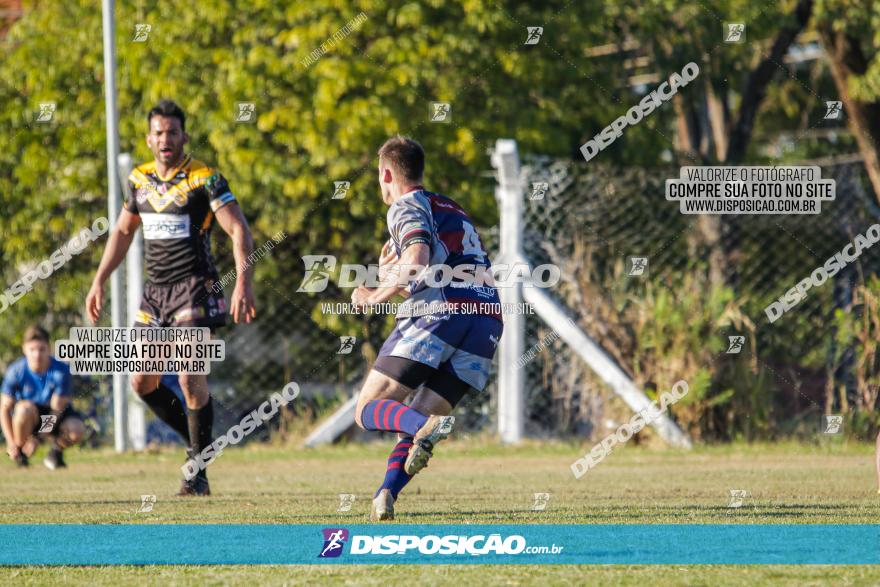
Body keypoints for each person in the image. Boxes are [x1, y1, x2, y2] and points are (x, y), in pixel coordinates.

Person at [85, 100, 256, 496]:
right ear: (149, 138)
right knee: (142, 381)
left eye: (172, 133)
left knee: (189, 377)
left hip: (196, 288)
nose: (165, 139)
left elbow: (239, 232)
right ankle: (201, 445)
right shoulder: (139, 179)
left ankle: (197, 472)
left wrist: (243, 284)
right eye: (159, 133)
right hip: (155, 294)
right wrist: (98, 281)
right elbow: (123, 233)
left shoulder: (206, 179)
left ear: (184, 137)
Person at [351, 136, 503, 521]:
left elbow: (417, 259)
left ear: (386, 173)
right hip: (486, 318)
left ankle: (424, 426)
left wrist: (375, 295)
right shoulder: (452, 208)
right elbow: (433, 267)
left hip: (443, 312)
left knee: (368, 409)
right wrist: (397, 278)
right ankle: (386, 494)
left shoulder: (404, 205)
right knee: (414, 425)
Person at [1, 325, 85, 469]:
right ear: (24, 349)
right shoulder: (15, 371)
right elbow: (4, 409)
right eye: (32, 350)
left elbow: (56, 410)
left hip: (55, 416)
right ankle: (21, 454)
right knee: (23, 409)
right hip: (30, 415)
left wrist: (38, 440)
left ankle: (55, 452)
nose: (37, 354)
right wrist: (11, 442)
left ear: (49, 349)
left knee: (76, 429)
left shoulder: (61, 371)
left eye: (41, 349)